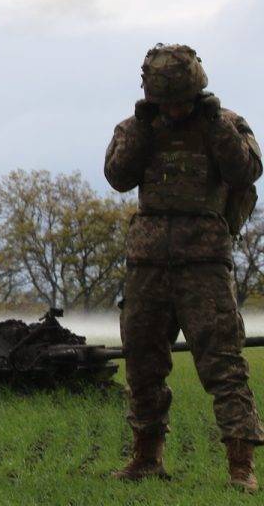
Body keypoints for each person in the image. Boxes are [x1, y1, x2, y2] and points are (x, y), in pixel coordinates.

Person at [105, 44, 263, 490]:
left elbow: (245, 172)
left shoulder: (225, 124)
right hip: (147, 266)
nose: (174, 110)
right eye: (165, 102)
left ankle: (240, 467)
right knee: (143, 363)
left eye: (181, 101)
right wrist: (142, 125)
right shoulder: (137, 127)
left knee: (224, 366)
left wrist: (214, 126)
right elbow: (118, 176)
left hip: (205, 266)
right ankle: (146, 458)